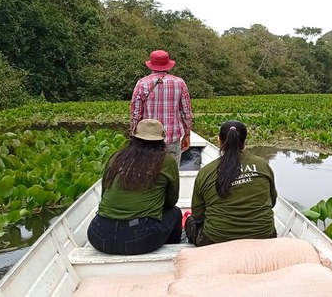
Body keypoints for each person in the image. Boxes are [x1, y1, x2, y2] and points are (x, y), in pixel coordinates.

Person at [87, 119, 182, 255]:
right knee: (175, 213)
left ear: (134, 137)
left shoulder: (116, 157)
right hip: (140, 239)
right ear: (162, 140)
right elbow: (171, 201)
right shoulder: (167, 161)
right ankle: (172, 255)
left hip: (99, 235)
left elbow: (104, 194)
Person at [185, 120, 278, 246]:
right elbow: (272, 202)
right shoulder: (262, 165)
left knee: (189, 222)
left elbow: (198, 216)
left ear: (219, 141)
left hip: (215, 239)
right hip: (264, 235)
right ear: (245, 142)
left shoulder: (206, 172)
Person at [129, 49, 193, 163]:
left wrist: (132, 133)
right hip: (172, 138)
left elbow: (136, 113)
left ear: (151, 65)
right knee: (172, 174)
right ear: (168, 65)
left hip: (147, 138)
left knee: (148, 174)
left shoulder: (142, 83)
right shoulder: (180, 83)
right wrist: (187, 134)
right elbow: (186, 112)